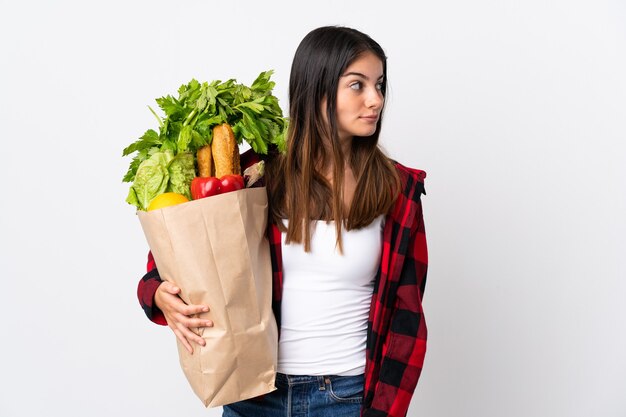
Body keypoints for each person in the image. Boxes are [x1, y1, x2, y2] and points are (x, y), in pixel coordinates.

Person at [137, 25, 428, 417]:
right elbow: (181, 250)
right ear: (318, 89)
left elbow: (406, 318)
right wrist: (157, 294)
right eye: (357, 85)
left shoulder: (399, 189)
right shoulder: (258, 175)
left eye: (380, 84)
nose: (375, 99)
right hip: (254, 396)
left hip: (348, 398)